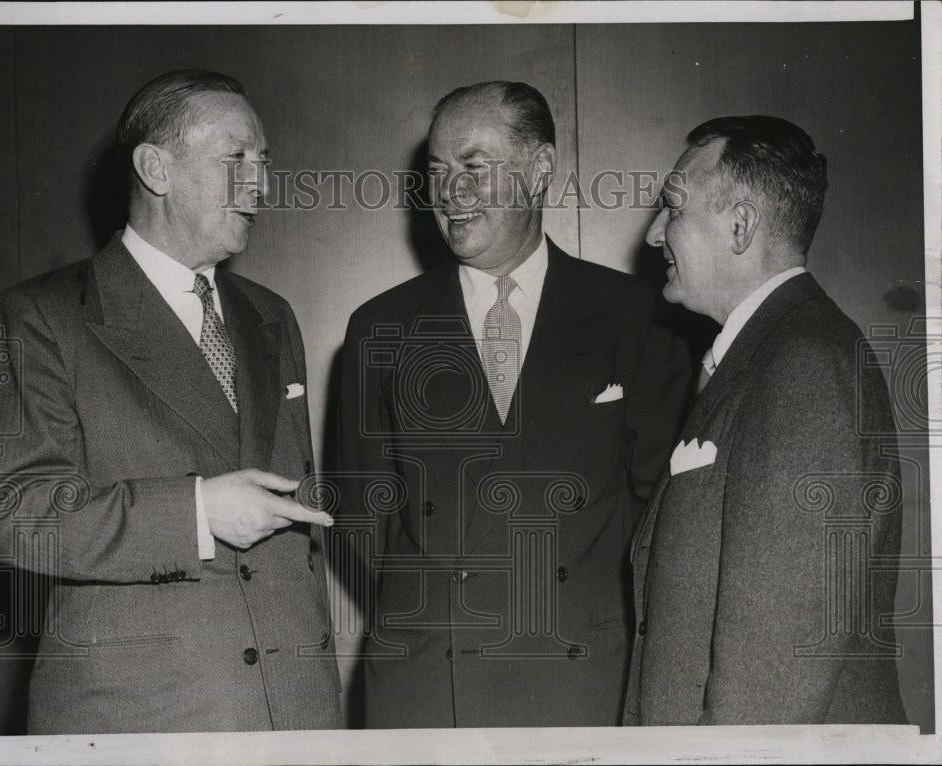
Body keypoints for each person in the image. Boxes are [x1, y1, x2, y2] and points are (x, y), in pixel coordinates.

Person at [0, 69, 341, 733]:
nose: (260, 185)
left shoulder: (270, 316)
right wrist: (198, 512)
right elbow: (14, 512)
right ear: (156, 168)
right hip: (140, 722)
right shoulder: (40, 316)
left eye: (263, 162)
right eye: (236, 160)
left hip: (296, 717)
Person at [335, 81, 690, 727]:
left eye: (473, 166)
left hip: (582, 684)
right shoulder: (380, 328)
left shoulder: (638, 318)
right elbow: (362, 516)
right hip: (428, 690)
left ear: (540, 169)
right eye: (438, 172)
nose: (450, 193)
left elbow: (663, 515)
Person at [624, 116, 906, 725]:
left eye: (672, 209)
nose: (653, 234)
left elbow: (769, 690)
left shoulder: (801, 363)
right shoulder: (770, 352)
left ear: (742, 224)